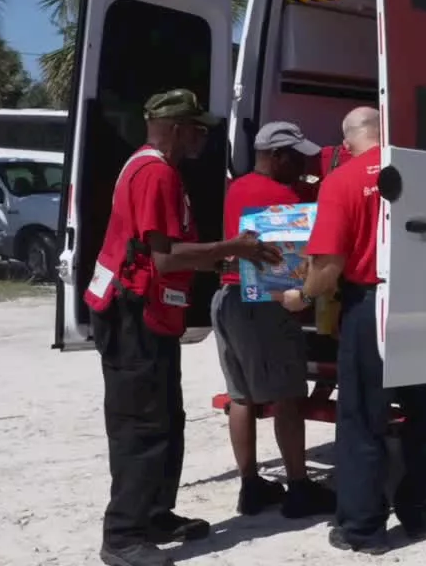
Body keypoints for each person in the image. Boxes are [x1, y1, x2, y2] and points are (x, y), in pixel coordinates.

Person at [84, 89, 283, 566]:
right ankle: (123, 535)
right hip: (134, 313)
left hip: (148, 311)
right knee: (142, 425)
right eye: (196, 128)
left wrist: (216, 258)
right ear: (174, 129)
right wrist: (231, 247)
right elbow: (164, 255)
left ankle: (154, 513)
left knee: (166, 419)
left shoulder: (154, 167)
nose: (202, 136)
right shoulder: (155, 173)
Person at [277, 106, 426, 555]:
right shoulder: (425, 175)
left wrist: (303, 296)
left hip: (371, 302)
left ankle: (364, 528)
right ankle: (419, 513)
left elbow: (329, 265)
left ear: (349, 137)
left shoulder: (343, 180)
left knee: (362, 419)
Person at [210, 122, 337, 518]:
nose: (301, 166)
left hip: (227, 299)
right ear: (277, 156)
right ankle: (299, 487)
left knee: (241, 396)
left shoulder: (237, 188)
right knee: (287, 396)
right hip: (265, 302)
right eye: (296, 158)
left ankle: (251, 486)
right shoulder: (285, 195)